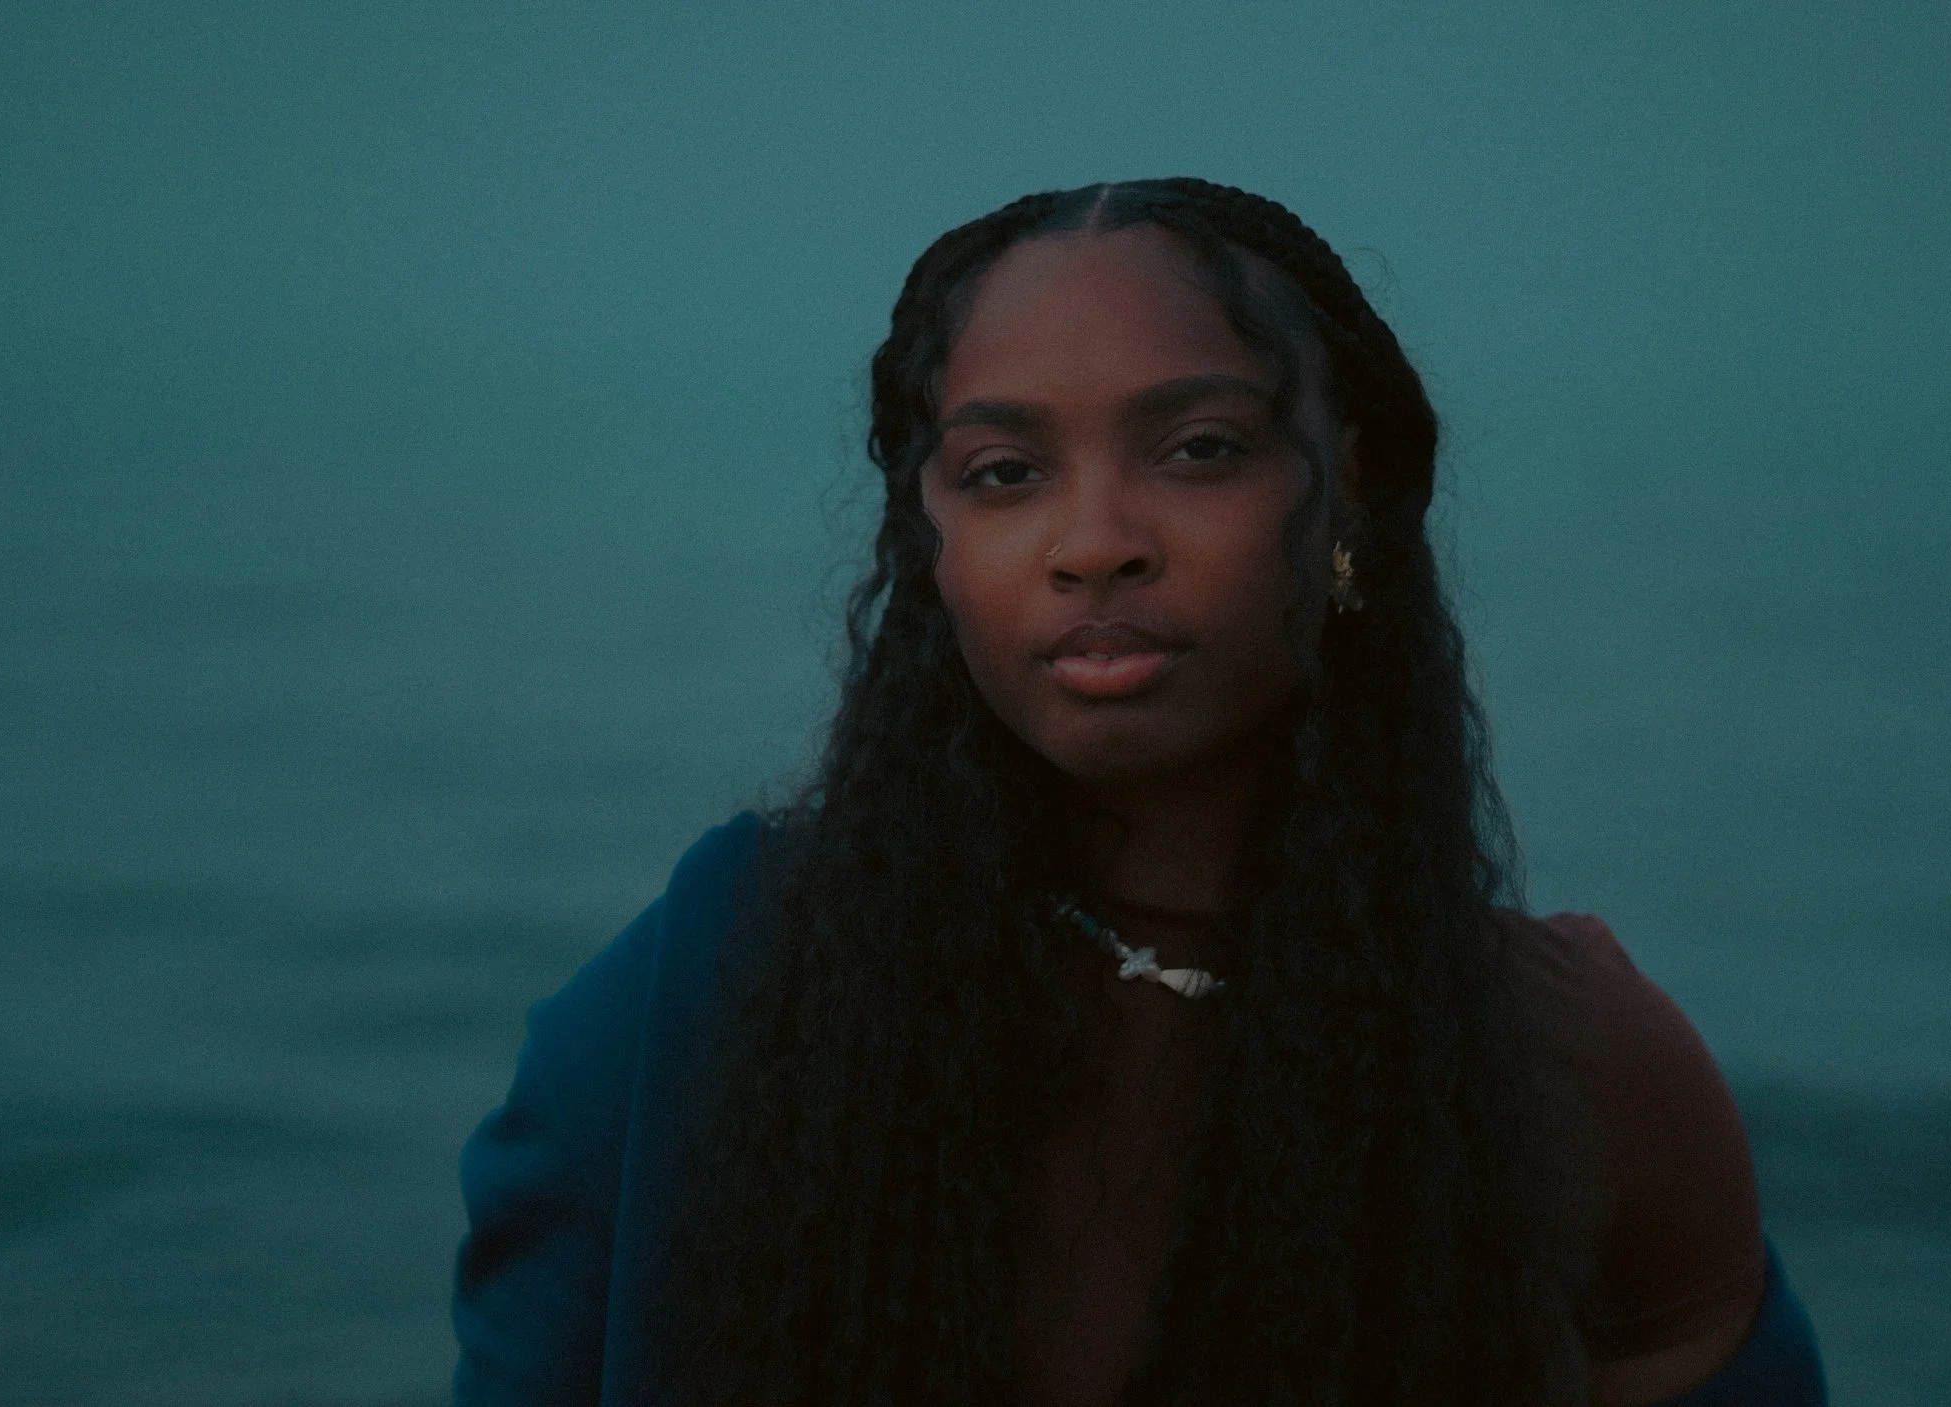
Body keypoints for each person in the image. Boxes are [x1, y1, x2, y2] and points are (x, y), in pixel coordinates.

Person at [451, 178, 1827, 1406]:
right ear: (932, 546)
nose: (1094, 541)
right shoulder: (712, 992)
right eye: (1005, 473)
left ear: (1353, 488)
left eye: (1200, 449)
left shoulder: (1568, 1067)